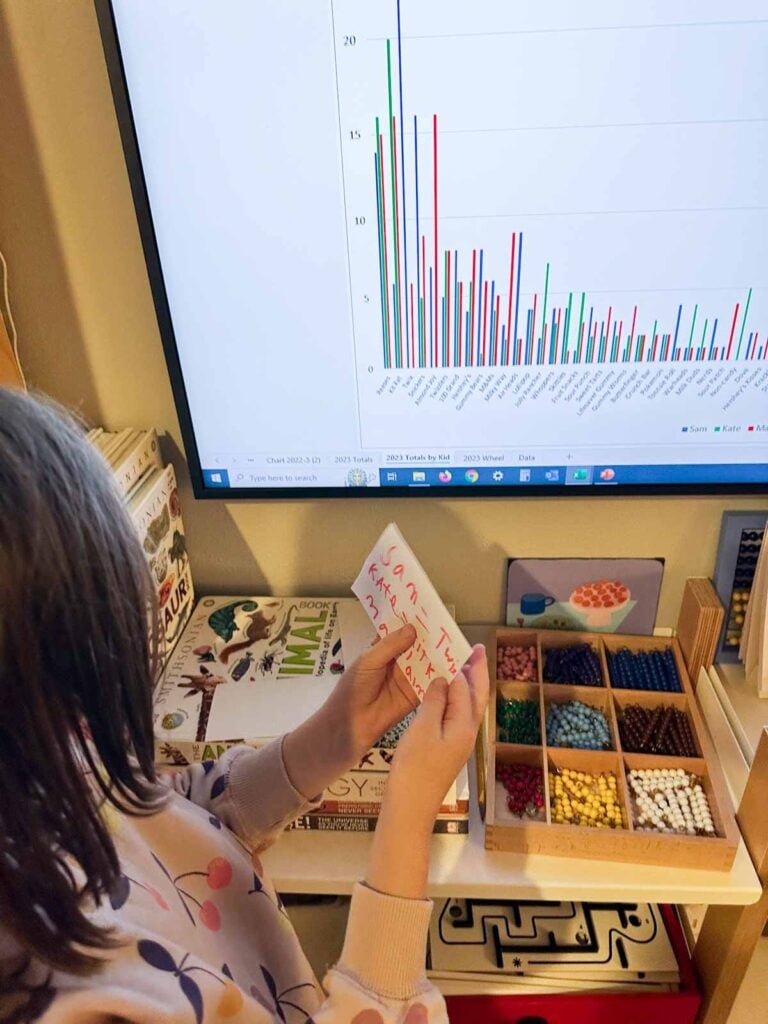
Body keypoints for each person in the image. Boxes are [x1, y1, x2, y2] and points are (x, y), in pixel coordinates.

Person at [0, 387, 489, 1024]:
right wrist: (410, 809)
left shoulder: (42, 761)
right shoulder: (72, 1006)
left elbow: (170, 809)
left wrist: (332, 738)